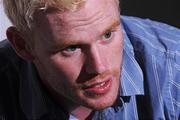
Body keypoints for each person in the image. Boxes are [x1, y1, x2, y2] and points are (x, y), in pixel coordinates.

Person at [0, 0, 180, 119]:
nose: (99, 67)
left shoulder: (174, 70)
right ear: (23, 44)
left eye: (107, 35)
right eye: (71, 48)